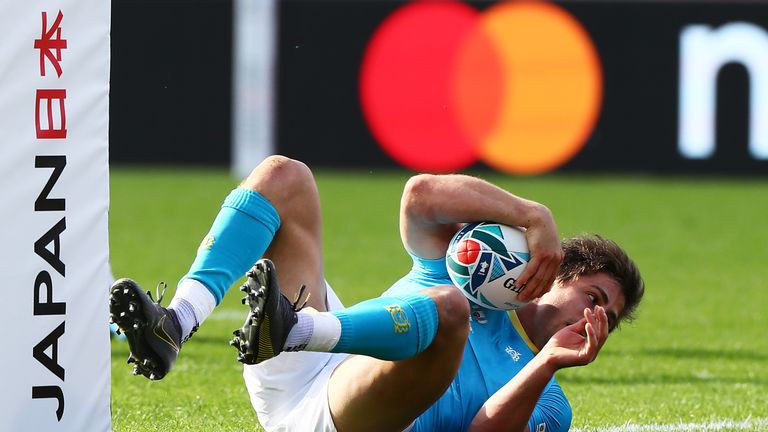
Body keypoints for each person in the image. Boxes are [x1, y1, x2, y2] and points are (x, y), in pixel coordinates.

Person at [110, 155, 643, 431]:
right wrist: (533, 215)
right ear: (557, 272)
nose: (597, 321)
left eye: (610, 323)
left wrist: (546, 362)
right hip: (310, 364)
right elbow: (422, 195)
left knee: (449, 312)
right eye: (595, 299)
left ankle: (291, 327)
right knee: (285, 177)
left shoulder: (549, 395)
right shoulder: (470, 273)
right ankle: (176, 322)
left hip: (354, 420)